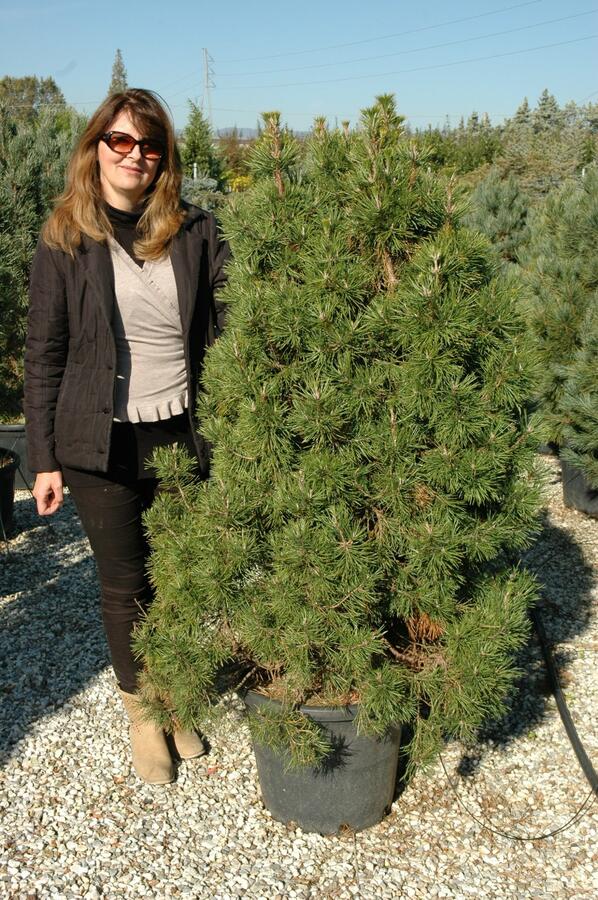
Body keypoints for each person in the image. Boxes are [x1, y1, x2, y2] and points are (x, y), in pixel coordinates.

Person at [24, 88, 229, 785]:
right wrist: (42, 457)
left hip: (181, 434)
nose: (134, 156)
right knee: (125, 581)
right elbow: (44, 354)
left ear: (164, 159)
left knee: (177, 579)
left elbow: (227, 329)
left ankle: (172, 695)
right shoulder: (64, 239)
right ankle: (143, 714)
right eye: (120, 142)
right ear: (96, 148)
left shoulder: (196, 231)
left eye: (150, 146)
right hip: (99, 442)